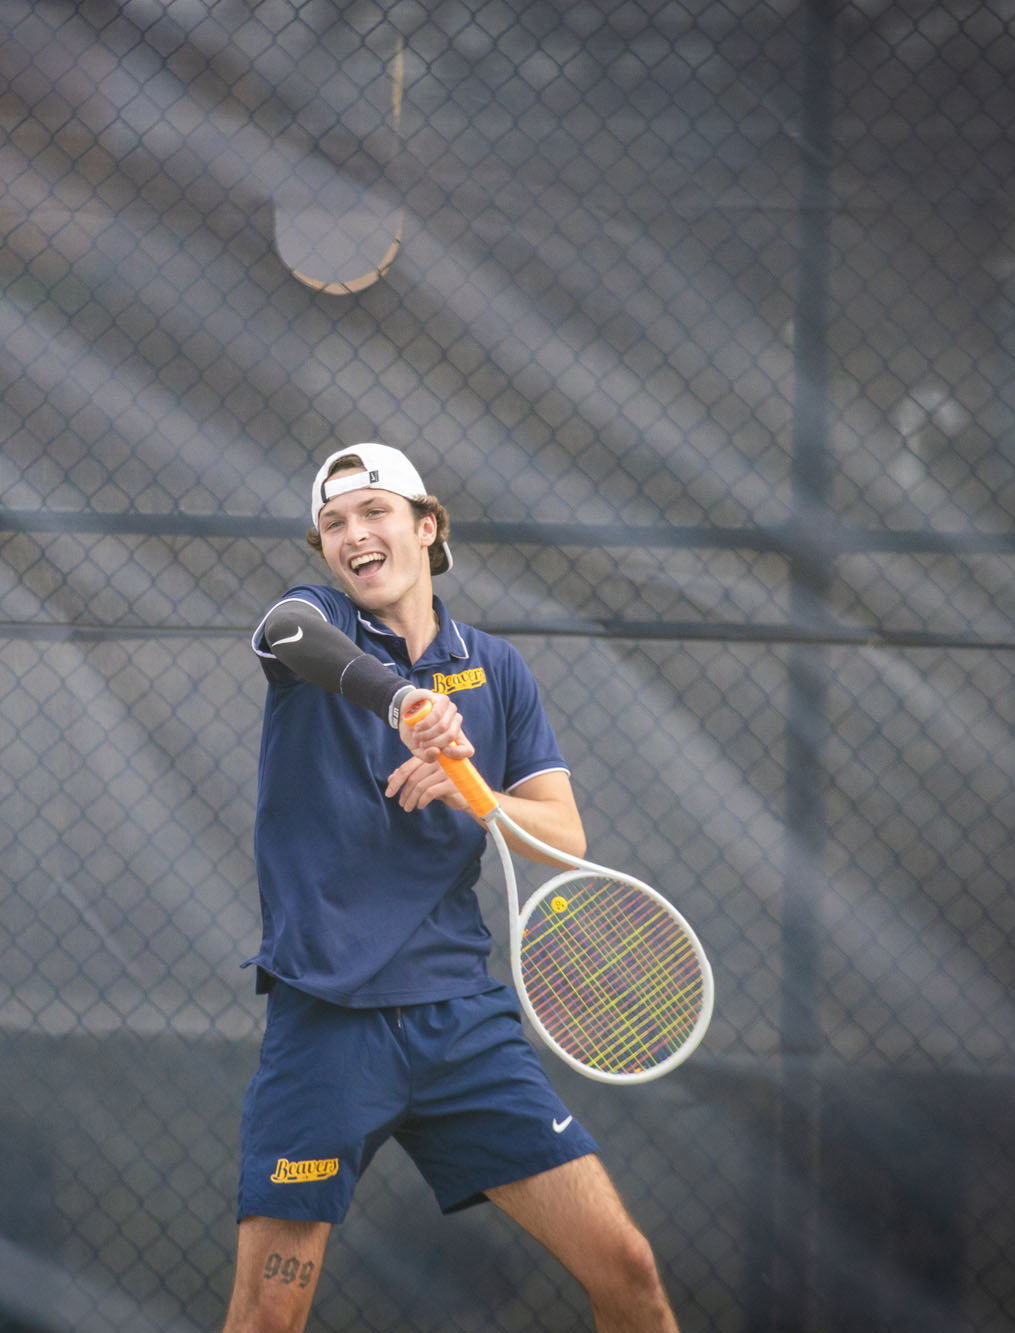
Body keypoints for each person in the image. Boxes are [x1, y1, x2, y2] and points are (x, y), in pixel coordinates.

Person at [223, 443, 678, 1333]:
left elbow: (563, 833)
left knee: (627, 1268)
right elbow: (287, 634)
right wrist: (403, 705)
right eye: (333, 524)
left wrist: (478, 795)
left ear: (426, 528)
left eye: (374, 512)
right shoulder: (316, 622)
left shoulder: (497, 667)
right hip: (327, 1023)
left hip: (461, 1023)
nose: (354, 535)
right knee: (268, 1314)